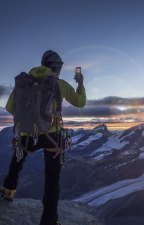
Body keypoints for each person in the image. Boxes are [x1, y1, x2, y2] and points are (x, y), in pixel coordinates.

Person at [0, 50, 86, 225]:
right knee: (52, 179)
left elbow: (10, 107)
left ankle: (8, 190)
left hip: (27, 133)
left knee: (18, 159)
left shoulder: (23, 83)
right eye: (59, 68)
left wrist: (30, 118)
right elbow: (80, 102)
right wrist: (80, 84)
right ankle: (49, 221)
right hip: (51, 135)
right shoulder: (59, 83)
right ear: (56, 68)